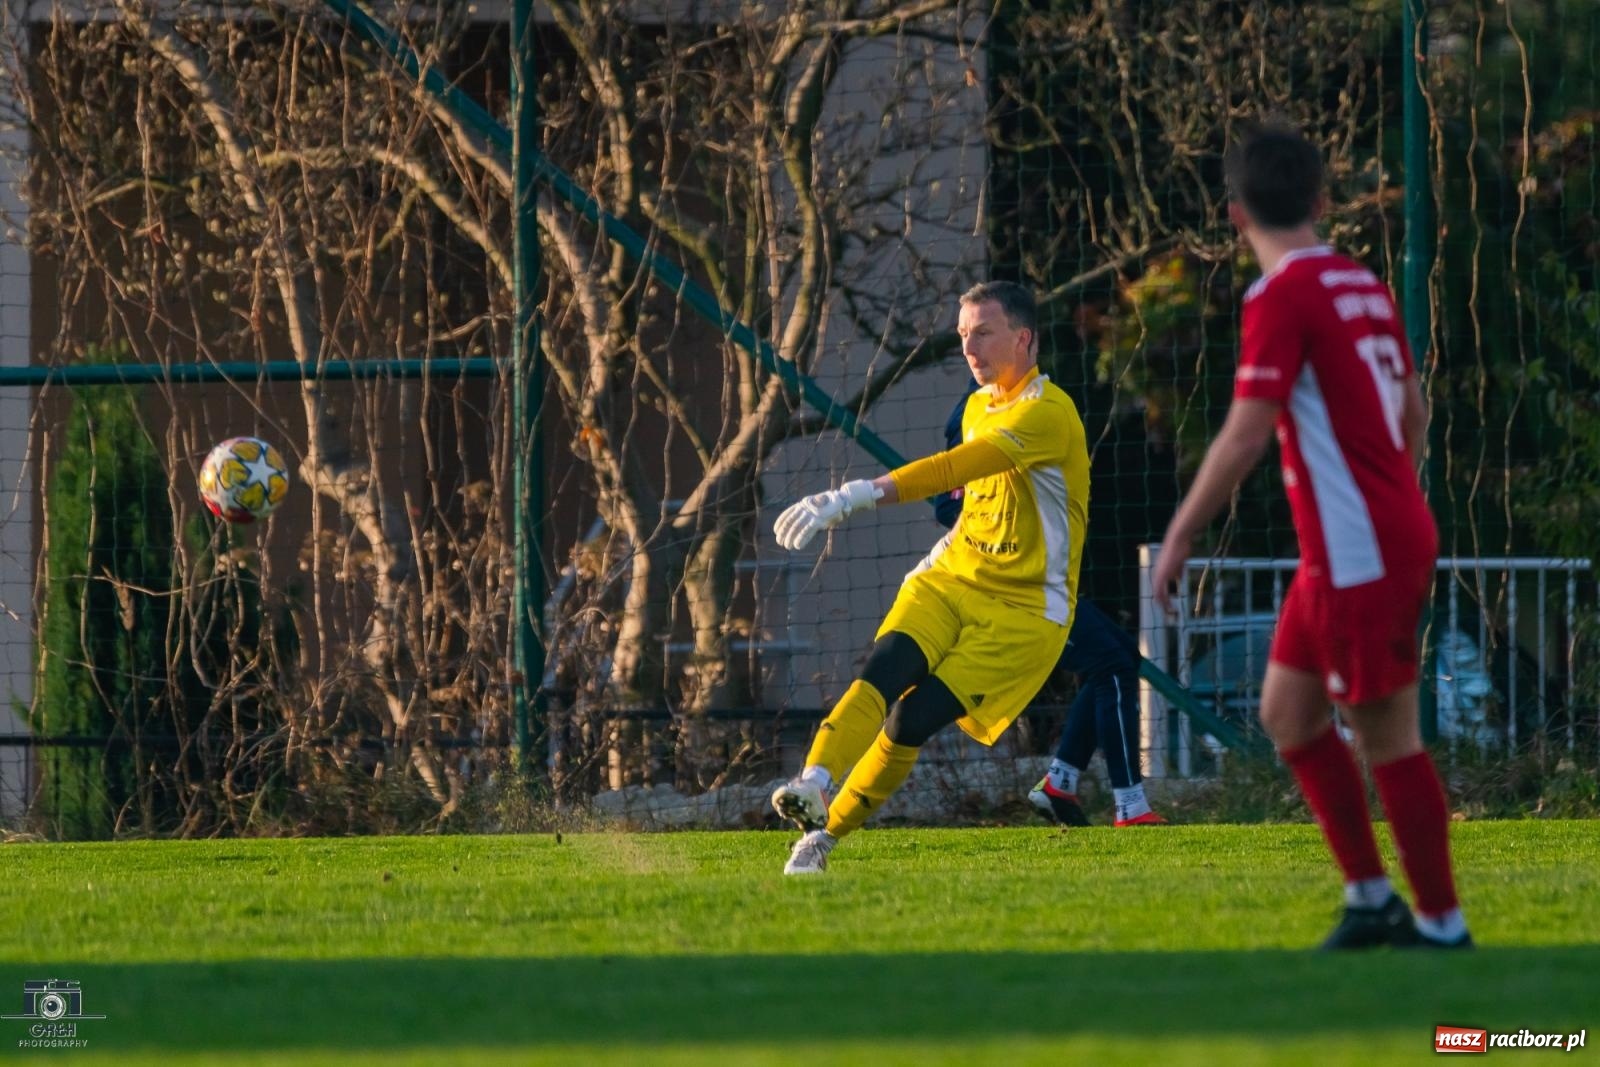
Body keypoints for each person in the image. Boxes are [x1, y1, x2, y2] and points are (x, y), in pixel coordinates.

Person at [1150, 123, 1471, 949]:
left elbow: (1247, 432)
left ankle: (1441, 925)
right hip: (1367, 534)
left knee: (1387, 733)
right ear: (1323, 202)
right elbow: (1413, 411)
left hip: (1359, 544)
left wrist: (1183, 531)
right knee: (1289, 712)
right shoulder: (1362, 282)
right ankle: (1370, 897)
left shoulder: (1282, 294)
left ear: (1233, 214)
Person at [769, 280, 1087, 874]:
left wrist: (852, 495)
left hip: (1022, 614)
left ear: (1023, 339)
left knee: (909, 720)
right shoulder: (974, 405)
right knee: (884, 669)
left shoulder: (1049, 412)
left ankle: (824, 838)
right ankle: (812, 784)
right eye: (964, 334)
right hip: (951, 578)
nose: (970, 347)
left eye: (983, 333)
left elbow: (953, 467)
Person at [932, 378, 1165, 828]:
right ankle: (1129, 805)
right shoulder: (976, 414)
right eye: (972, 336)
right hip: (1009, 589)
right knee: (1112, 665)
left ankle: (1061, 780)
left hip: (1042, 583)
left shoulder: (1035, 402)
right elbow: (947, 504)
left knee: (1118, 657)